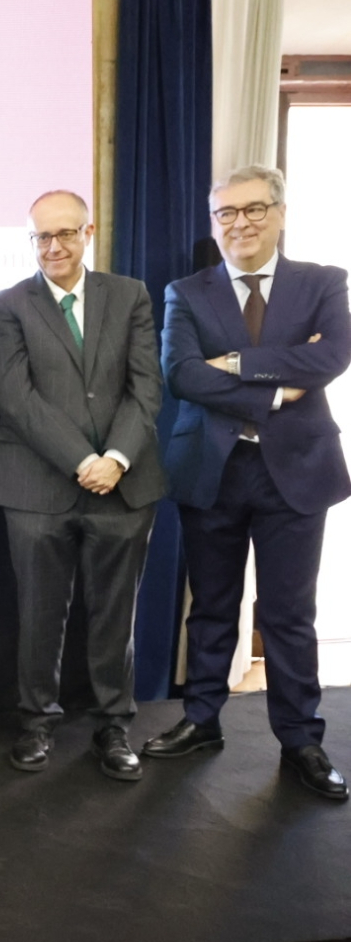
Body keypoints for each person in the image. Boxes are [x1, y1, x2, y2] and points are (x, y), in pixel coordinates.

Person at [147, 165, 351, 801]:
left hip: (297, 471)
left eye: (254, 209)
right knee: (210, 607)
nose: (240, 223)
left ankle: (301, 741)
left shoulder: (322, 283)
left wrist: (237, 363)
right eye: (226, 213)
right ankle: (202, 720)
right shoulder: (188, 290)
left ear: (281, 212)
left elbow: (333, 354)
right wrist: (277, 392)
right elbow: (181, 375)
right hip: (213, 468)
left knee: (290, 614)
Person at [0, 191, 165, 781]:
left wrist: (114, 457)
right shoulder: (7, 306)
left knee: (116, 614)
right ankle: (37, 721)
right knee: (39, 613)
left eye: (65, 234)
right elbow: (16, 400)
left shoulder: (130, 294)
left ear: (89, 232)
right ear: (31, 240)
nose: (53, 246)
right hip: (37, 486)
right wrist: (82, 459)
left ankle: (114, 725)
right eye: (42, 237)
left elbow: (146, 389)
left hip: (123, 484)